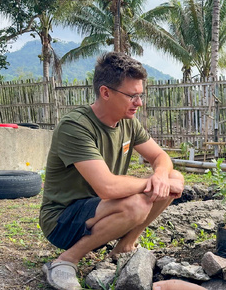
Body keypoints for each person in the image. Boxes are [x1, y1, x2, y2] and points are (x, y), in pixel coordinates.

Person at [39, 52, 184, 290]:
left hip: (101, 209)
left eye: (140, 95)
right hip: (62, 219)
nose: (139, 102)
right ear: (105, 92)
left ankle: (125, 247)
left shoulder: (128, 122)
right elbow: (107, 187)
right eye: (132, 96)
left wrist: (160, 176)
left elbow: (160, 156)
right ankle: (65, 260)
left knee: (173, 177)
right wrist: (154, 183)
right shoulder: (75, 126)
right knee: (138, 203)